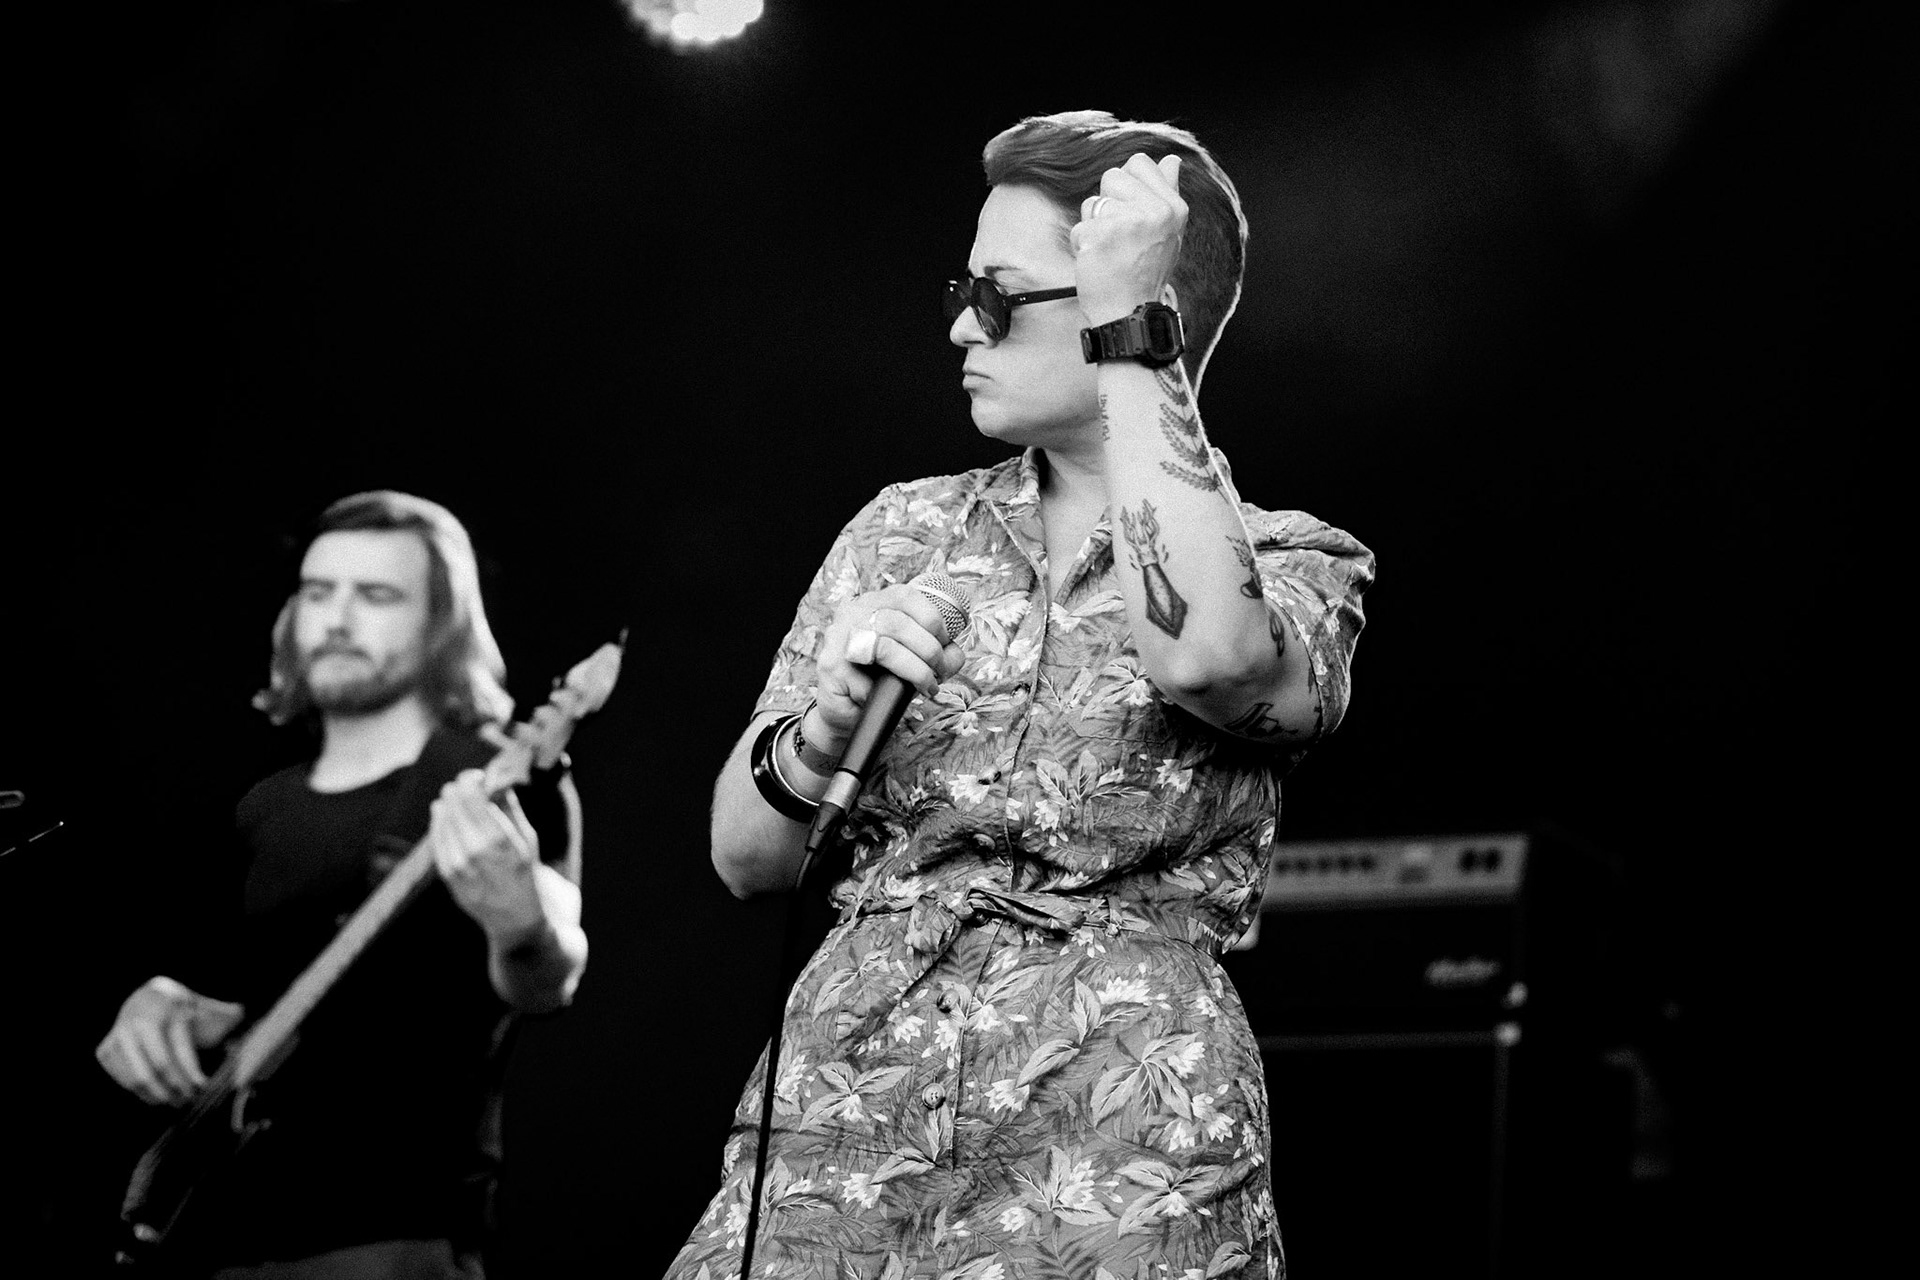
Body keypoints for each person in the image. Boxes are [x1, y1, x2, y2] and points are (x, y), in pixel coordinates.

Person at [666, 110, 1374, 1277]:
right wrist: (821, 736)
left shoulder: (1298, 557)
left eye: (998, 296)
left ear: (1127, 303)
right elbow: (744, 859)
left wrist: (1131, 331)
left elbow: (1208, 660)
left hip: (1117, 1129)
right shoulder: (903, 527)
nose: (959, 324)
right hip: (850, 1108)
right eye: (964, 288)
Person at [94, 491, 590, 1279]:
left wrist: (525, 928)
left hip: (388, 1240)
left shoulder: (490, 779)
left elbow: (549, 974)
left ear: (442, 623)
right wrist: (164, 1005)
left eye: (377, 595)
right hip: (215, 1232)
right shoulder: (265, 803)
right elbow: (246, 1006)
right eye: (318, 592)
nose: (337, 618)